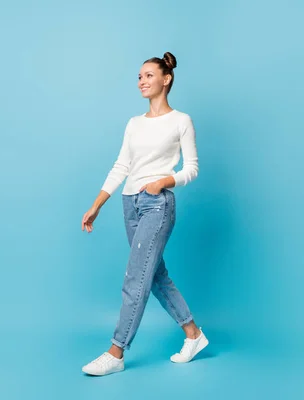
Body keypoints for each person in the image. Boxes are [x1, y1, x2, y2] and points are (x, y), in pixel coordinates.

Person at [80, 52, 208, 376]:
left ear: (166, 79)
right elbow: (122, 166)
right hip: (129, 204)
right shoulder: (134, 124)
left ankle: (116, 352)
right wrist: (97, 204)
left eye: (149, 75)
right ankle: (193, 335)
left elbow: (191, 168)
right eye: (139, 76)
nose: (142, 81)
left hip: (157, 204)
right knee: (155, 276)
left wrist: (165, 180)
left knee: (135, 278)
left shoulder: (181, 121)